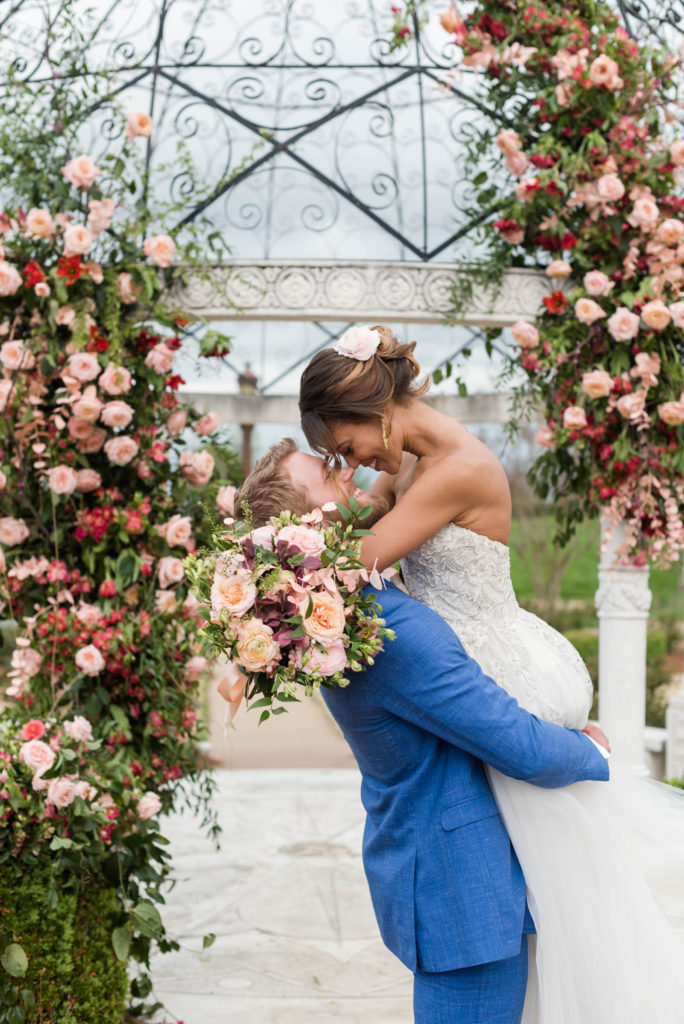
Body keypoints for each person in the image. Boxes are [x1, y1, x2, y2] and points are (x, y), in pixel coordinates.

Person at [294, 323, 684, 1023]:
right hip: (464, 651)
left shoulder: (459, 470)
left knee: (554, 842)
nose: (347, 464)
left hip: (498, 659)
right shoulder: (406, 462)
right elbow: (361, 521)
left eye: (344, 447)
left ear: (374, 412)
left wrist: (284, 545)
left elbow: (357, 561)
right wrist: (326, 501)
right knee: (540, 862)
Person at [234, 442, 611, 1024]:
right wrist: (588, 749)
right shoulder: (384, 630)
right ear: (307, 528)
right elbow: (513, 742)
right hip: (458, 882)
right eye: (328, 472)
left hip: (447, 864)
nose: (348, 469)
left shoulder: (344, 610)